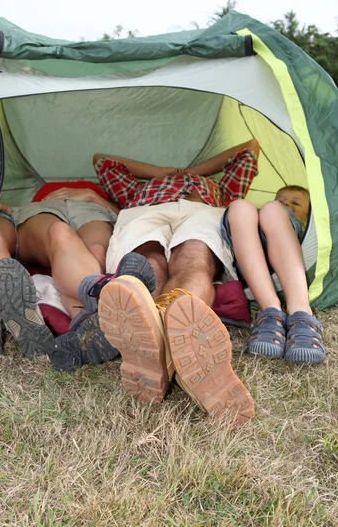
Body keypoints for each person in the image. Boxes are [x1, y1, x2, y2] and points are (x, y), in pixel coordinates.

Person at [89, 140, 260, 424]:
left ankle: (159, 344)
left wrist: (193, 172)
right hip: (146, 210)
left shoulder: (222, 189)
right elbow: (102, 160)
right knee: (148, 261)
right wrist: (165, 172)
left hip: (202, 209)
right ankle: (172, 346)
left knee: (195, 257)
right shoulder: (136, 189)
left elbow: (249, 149)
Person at [0, 187, 135, 363]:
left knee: (97, 251)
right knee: (55, 232)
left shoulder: (101, 193)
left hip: (92, 210)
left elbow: (132, 215)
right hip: (42, 210)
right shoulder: (40, 190)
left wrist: (92, 195)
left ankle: (87, 322)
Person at [220, 185, 326, 364]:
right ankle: (270, 309)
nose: (286, 203)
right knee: (240, 207)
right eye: (282, 200)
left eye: (295, 203)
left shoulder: (285, 217)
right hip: (248, 247)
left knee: (272, 210)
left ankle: (300, 310)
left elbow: (278, 210)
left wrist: (279, 208)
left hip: (284, 237)